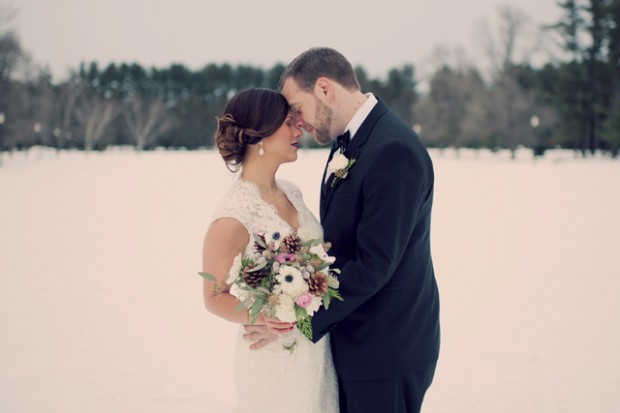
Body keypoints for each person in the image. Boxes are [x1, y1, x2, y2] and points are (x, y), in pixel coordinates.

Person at [247, 47, 441, 413]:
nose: (297, 123)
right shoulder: (352, 141)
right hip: (359, 343)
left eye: (297, 109)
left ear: (324, 88)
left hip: (387, 350)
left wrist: (295, 317)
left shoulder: (392, 150)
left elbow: (374, 264)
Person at [201, 87, 338, 413]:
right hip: (272, 359)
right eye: (288, 123)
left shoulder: (293, 192)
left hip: (316, 352)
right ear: (259, 136)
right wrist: (260, 314)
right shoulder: (233, 216)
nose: (298, 130)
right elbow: (213, 295)